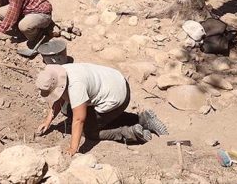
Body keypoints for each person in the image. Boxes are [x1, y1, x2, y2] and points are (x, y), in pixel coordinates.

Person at [35, 64, 168, 156]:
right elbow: (59, 97)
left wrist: (73, 148)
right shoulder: (62, 72)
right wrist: (48, 121)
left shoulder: (76, 86)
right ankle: (143, 119)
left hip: (117, 97)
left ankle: (130, 132)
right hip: (116, 82)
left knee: (89, 131)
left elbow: (79, 119)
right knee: (68, 108)